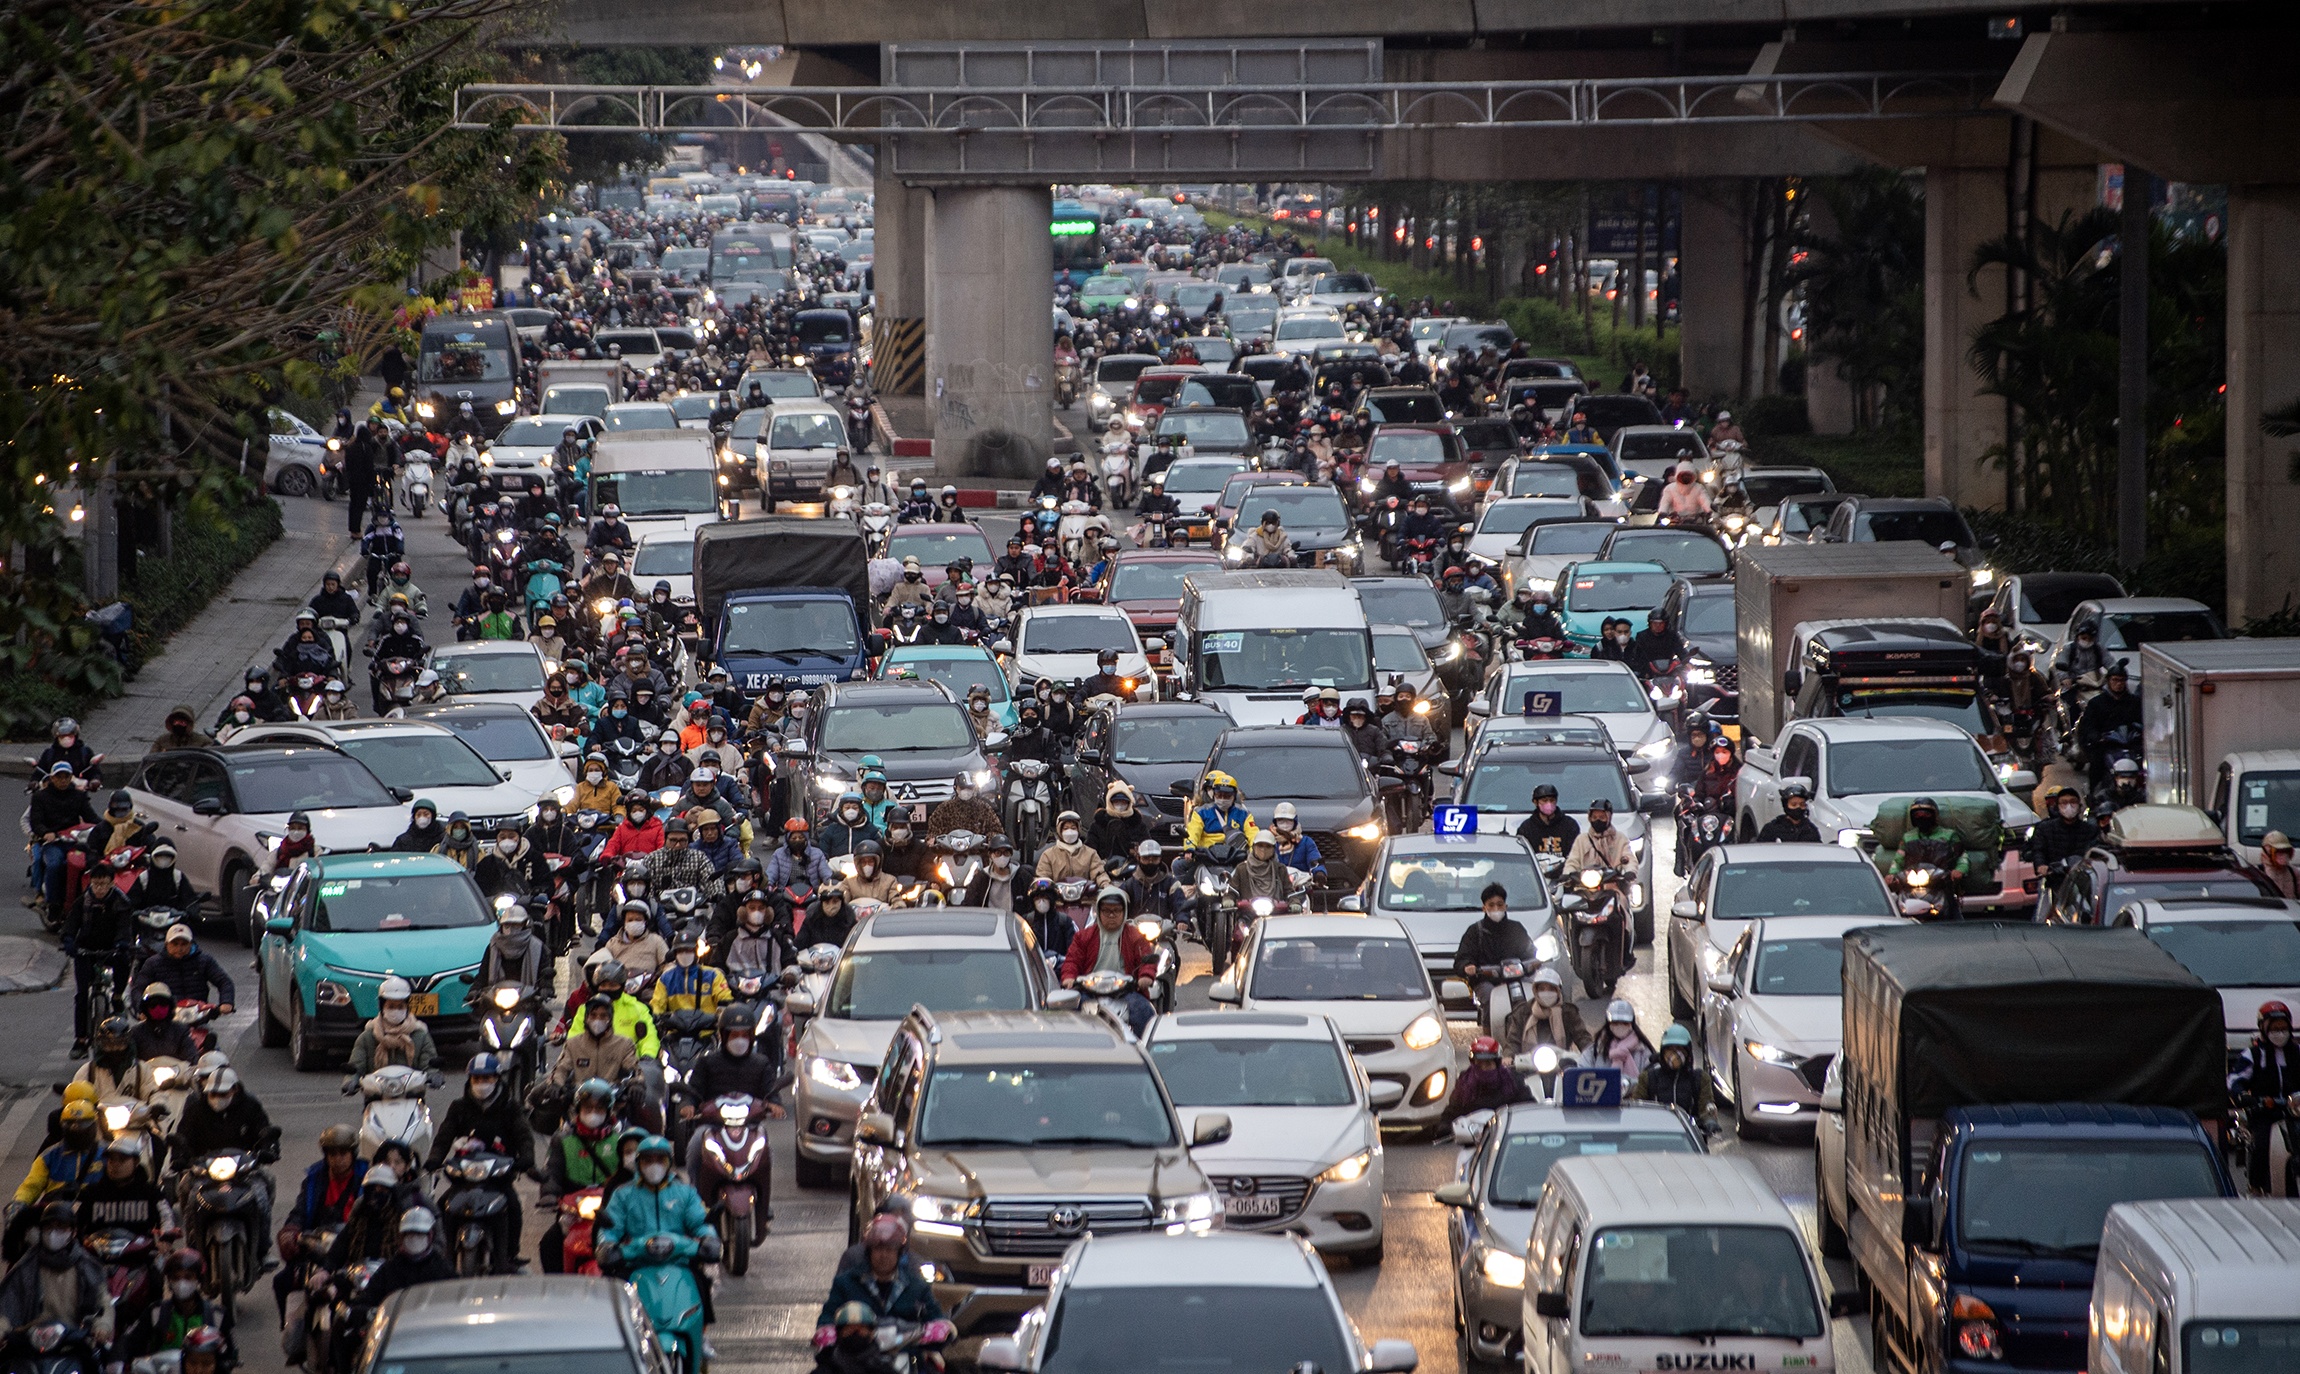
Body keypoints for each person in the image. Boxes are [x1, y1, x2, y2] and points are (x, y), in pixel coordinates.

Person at [422, 1055, 531, 1268]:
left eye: (487, 1079)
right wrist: (434, 1159)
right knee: (442, 1207)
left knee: (513, 1206)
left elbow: (523, 1135)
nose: (482, 1084)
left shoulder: (510, 1107)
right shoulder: (458, 1107)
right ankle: (443, 1255)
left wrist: (526, 1159)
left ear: (498, 1079)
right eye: (477, 1079)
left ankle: (509, 1254)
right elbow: (444, 1136)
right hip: (465, 1174)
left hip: (498, 1175)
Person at [597, 1135, 716, 1309]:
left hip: (678, 1261)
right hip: (636, 1262)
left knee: (701, 1284)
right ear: (638, 1163)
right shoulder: (623, 1194)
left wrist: (709, 1238)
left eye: (660, 1160)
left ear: (669, 1163)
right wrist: (607, 1244)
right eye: (648, 1160)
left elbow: (699, 1223)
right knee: (609, 1299)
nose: (654, 1165)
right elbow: (611, 1228)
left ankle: (699, 1333)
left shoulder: (685, 1193)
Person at [274, 1124, 364, 1352]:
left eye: (343, 1153)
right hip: (316, 1249)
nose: (338, 1159)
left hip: (354, 1252)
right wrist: (291, 1231)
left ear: (352, 1154)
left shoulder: (366, 1177)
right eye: (332, 1154)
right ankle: (293, 1334)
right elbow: (300, 1211)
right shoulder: (314, 1180)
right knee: (282, 1281)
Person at [168, 1068, 277, 1251]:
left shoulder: (250, 1106)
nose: (217, 1098)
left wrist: (268, 1149)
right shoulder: (196, 1109)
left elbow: (264, 1130)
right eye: (212, 1094)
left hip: (244, 1169)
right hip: (204, 1169)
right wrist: (179, 1157)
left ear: (234, 1090)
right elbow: (183, 1136)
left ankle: (262, 1245)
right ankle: (193, 1246)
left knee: (267, 1184)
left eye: (223, 1093)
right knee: (185, 1187)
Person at [0, 1202, 114, 1347]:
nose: (54, 1232)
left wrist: (102, 1327)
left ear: (73, 1232)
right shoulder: (25, 1267)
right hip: (30, 1345)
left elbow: (102, 1304)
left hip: (74, 1343)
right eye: (49, 1227)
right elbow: (7, 1308)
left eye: (61, 1227)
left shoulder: (88, 1267)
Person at [815, 1214, 945, 1337]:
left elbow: (934, 1315)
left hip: (906, 1353)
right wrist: (827, 1331)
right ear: (869, 1252)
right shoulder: (845, 1283)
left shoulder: (917, 1287)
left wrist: (941, 1329)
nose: (883, 1255)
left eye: (889, 1250)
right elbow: (828, 1315)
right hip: (856, 1355)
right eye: (878, 1249)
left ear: (899, 1253)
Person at [1058, 888, 1159, 1035]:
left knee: (1144, 1012)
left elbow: (1147, 960)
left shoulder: (1135, 936)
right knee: (1066, 1013)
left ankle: (1143, 1048)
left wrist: (1146, 976)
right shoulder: (1084, 936)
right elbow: (1072, 961)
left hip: (1125, 991)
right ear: (1098, 912)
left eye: (1116, 911)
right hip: (1089, 990)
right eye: (1106, 911)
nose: (1111, 916)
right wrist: (1069, 977)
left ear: (1124, 912)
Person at [63, 859, 136, 1055]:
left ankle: (118, 995)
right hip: (86, 950)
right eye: (95, 884)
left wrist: (121, 944)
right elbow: (70, 924)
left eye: (104, 884)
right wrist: (69, 940)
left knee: (123, 961)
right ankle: (80, 1040)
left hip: (112, 949)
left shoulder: (122, 903)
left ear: (112, 883)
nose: (99, 888)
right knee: (81, 995)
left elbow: (124, 928)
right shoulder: (82, 902)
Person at [2230, 1001, 2300, 1195]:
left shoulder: (2297, 1054)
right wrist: (2245, 1097)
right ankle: (2256, 1186)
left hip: (2294, 1113)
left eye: (2284, 1028)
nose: (2280, 1033)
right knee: (2261, 1144)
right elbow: (2234, 1081)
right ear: (2264, 1028)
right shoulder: (2253, 1055)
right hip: (2265, 1114)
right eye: (2275, 1028)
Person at [24, 764, 98, 917]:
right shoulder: (40, 797)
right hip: (53, 843)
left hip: (75, 842)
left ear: (71, 778)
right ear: (52, 778)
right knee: (55, 864)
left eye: (66, 777)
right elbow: (36, 822)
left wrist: (107, 826)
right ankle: (53, 903)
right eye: (59, 777)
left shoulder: (79, 796)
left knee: (90, 863)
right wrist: (46, 833)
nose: (63, 780)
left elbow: (91, 817)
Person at [1452, 883, 1533, 1018]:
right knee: (1491, 1001)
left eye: (1500, 904)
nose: (1496, 908)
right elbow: (1462, 958)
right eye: (1491, 905)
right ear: (1484, 908)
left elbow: (1530, 952)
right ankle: (1489, 1034)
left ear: (1505, 906)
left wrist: (1533, 962)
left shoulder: (1517, 929)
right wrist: (1468, 967)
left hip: (1518, 979)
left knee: (1534, 997)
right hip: (1486, 981)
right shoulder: (1475, 932)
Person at [132, 923, 236, 1013]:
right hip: (166, 1017)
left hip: (198, 1014)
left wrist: (226, 1002)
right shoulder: (153, 963)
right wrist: (141, 1010)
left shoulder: (204, 960)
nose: (179, 948)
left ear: (190, 944)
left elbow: (224, 982)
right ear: (166, 944)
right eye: (175, 944)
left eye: (184, 944)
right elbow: (138, 989)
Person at [361, 1208, 455, 1306]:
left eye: (419, 1234)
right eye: (409, 1234)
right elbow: (368, 1298)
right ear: (400, 1236)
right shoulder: (389, 1270)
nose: (414, 1239)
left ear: (430, 1235)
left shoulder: (442, 1269)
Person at [547, 998, 642, 1094]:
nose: (597, 1020)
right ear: (586, 1018)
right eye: (593, 1015)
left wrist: (636, 1084)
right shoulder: (573, 1044)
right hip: (579, 1099)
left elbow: (634, 1068)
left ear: (610, 1019)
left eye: (603, 1016)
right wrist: (556, 1084)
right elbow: (562, 1068)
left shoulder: (624, 1044)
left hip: (612, 1099)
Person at [347, 976, 440, 1074]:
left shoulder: (421, 1036)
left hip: (412, 1088)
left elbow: (428, 1063)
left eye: (400, 1007)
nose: (396, 1010)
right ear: (382, 1007)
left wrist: (433, 1074)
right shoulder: (367, 1037)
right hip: (376, 1088)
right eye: (391, 1006)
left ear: (407, 1008)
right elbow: (356, 1065)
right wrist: (351, 1079)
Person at [1879, 796, 1971, 893]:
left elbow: (1961, 856)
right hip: (1912, 884)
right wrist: (1892, 874)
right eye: (1917, 815)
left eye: (1926, 814)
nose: (1921, 818)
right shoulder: (1908, 837)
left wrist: (1959, 870)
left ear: (1934, 816)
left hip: (1942, 884)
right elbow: (1898, 860)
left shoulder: (1949, 835)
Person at [2076, 660, 2143, 789]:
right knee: (2096, 765)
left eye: (2122, 681)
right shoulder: (2096, 703)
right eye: (2115, 680)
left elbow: (2144, 722)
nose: (2118, 684)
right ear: (2108, 681)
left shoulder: (2134, 702)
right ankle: (2094, 796)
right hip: (2106, 745)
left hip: (2131, 745)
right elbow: (2087, 725)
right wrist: (2096, 737)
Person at [1501, 965, 1589, 1058]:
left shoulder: (1568, 1012)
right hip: (1527, 1065)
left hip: (1562, 1062)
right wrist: (1508, 1057)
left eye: (1551, 989)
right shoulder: (1523, 1011)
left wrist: (1591, 1055)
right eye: (1542, 989)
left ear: (1558, 991)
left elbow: (1582, 1037)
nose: (1546, 992)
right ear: (1536, 991)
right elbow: (1513, 1041)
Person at [1633, 1024, 1713, 1122]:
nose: (1675, 1055)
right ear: (1663, 1052)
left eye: (1680, 1049)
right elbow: (1637, 1108)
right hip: (1656, 1133)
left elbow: (1706, 1107)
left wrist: (1709, 1120)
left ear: (1688, 1053)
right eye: (1670, 1049)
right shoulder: (1648, 1078)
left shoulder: (1700, 1079)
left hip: (1688, 1133)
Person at [1444, 1037, 1533, 1122]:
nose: (1484, 1069)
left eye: (1488, 1064)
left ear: (1497, 1064)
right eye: (1479, 1065)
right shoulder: (1464, 1084)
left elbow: (1528, 1109)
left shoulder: (1513, 1082)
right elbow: (1451, 1113)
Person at [1035, 810, 1106, 884]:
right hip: (1057, 894)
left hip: (1085, 895)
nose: (1070, 832)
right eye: (1066, 828)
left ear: (1078, 830)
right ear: (1059, 831)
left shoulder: (1091, 854)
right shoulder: (1048, 855)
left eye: (1073, 828)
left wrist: (1106, 886)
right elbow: (1042, 877)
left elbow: (1099, 874)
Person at [1586, 1000, 1653, 1078]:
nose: (1620, 1026)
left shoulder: (1644, 1052)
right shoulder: (1595, 1050)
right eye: (1615, 1022)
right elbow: (1581, 1074)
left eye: (1625, 1023)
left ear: (1631, 1024)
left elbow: (1651, 1078)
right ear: (1608, 1024)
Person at [1515, 783, 1580, 856]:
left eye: (1552, 800)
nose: (1549, 804)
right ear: (1535, 802)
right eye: (1544, 800)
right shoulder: (1526, 828)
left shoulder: (1569, 825)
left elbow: (1575, 854)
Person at [1755, 779, 1823, 843]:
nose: (1798, 807)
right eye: (1794, 804)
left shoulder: (1810, 830)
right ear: (1785, 805)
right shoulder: (1772, 829)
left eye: (1802, 804)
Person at [149, 705, 214, 755]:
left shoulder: (203, 742)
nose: (178, 725)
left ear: (189, 724)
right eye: (176, 722)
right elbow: (151, 760)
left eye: (182, 722)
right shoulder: (162, 741)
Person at [2262, 832, 2300, 900]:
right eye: (2278, 851)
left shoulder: (2294, 872)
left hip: (2291, 909)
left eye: (2286, 851)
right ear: (2268, 851)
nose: (2284, 855)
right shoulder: (2259, 873)